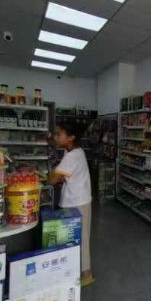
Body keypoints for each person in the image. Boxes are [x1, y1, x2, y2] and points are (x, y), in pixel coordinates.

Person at [47, 122, 94, 286]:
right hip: (78, 199)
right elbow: (64, 175)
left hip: (77, 202)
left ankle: (87, 274)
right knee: (77, 237)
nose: (56, 137)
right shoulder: (76, 151)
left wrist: (52, 174)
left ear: (71, 137)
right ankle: (74, 270)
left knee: (80, 238)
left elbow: (52, 180)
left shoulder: (71, 156)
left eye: (59, 134)